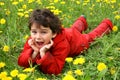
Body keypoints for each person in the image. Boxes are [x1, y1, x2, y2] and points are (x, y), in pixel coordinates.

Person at [18, 8, 113, 75]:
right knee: (74, 29)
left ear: (54, 33)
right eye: (34, 32)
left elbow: (55, 70)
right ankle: (82, 20)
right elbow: (22, 62)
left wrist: (43, 53)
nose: (37, 37)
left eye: (43, 32)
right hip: (69, 33)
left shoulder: (61, 44)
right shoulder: (32, 40)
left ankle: (106, 25)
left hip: (76, 41)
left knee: (89, 37)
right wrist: (34, 52)